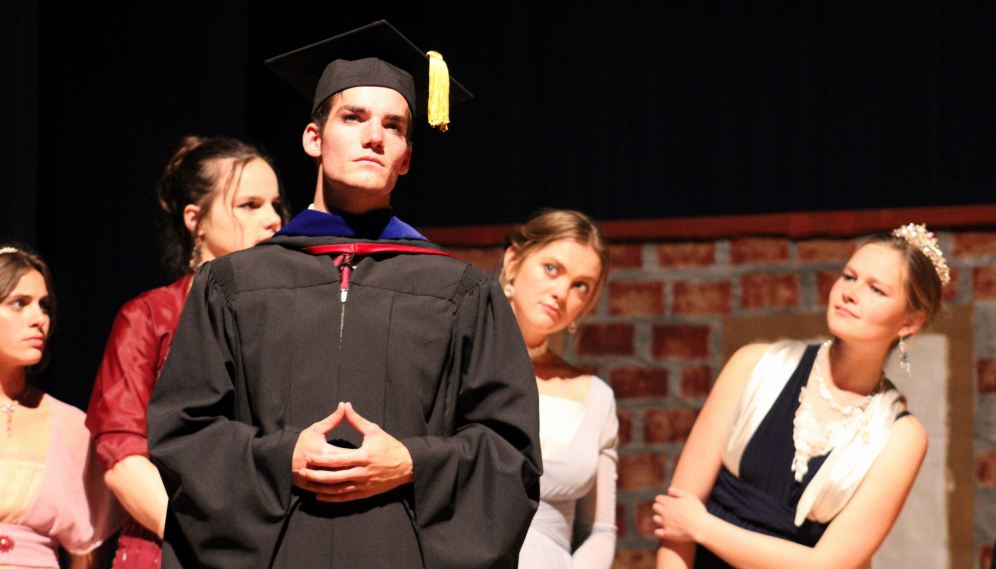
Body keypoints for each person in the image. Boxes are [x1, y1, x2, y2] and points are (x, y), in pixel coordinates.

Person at [146, 20, 541, 569]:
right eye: (353, 117)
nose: (373, 136)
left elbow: (510, 457)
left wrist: (411, 462)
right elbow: (183, 436)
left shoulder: (461, 294)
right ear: (314, 138)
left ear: (406, 155)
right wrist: (283, 458)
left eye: (394, 126)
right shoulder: (232, 285)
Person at [652, 224, 946, 569]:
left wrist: (701, 527)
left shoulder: (901, 436)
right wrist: (687, 527)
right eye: (848, 277)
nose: (849, 293)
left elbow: (828, 564)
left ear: (909, 323)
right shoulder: (755, 366)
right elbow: (676, 516)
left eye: (876, 290)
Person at [85, 136, 286, 568]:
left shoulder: (293, 319)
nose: (273, 220)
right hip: (169, 548)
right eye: (249, 205)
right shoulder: (149, 318)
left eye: (275, 205)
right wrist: (204, 544)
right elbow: (123, 457)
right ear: (196, 220)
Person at [501, 210, 618, 569]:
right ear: (513, 261)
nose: (562, 293)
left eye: (581, 285)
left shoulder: (595, 397)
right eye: (552, 269)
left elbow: (599, 529)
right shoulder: (458, 364)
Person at [0, 247, 119, 569]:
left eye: (44, 306)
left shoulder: (69, 425)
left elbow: (84, 555)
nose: (39, 319)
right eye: (19, 304)